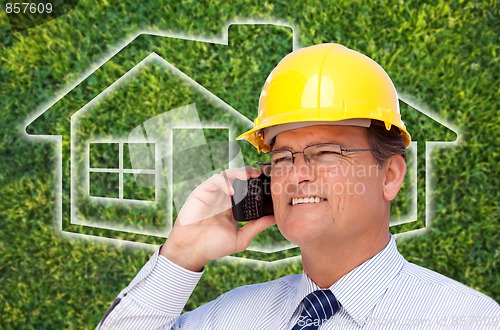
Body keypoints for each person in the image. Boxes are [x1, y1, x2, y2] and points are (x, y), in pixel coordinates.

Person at [97, 44, 498, 329]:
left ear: (390, 175)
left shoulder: (467, 320)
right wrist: (181, 255)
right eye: (283, 157)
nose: (297, 174)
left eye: (326, 153)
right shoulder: (231, 318)